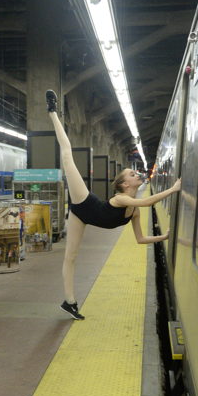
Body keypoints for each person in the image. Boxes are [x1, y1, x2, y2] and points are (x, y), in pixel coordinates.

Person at [46, 90, 181, 319]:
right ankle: (52, 112)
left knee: (71, 257)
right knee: (68, 156)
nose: (137, 174)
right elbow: (147, 201)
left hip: (81, 217)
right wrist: (173, 189)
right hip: (84, 202)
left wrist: (163, 237)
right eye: (132, 174)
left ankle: (69, 303)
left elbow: (140, 239)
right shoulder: (121, 199)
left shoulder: (133, 211)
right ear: (125, 184)